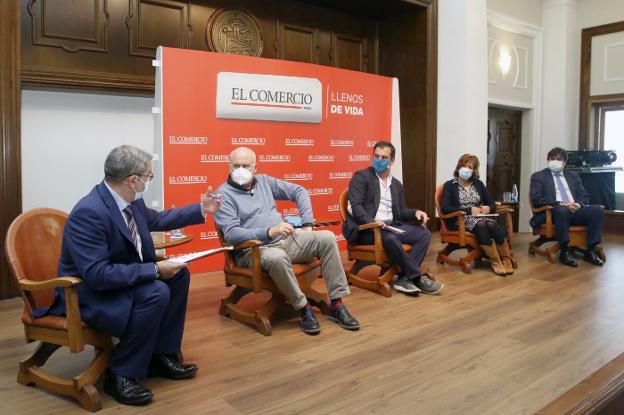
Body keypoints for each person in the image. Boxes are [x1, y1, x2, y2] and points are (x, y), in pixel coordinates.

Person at [38, 145, 221, 406]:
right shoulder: (90, 212)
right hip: (87, 293)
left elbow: (158, 219)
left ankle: (160, 356)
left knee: (179, 276)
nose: (150, 180)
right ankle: (120, 373)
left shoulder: (129, 201)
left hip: (116, 280)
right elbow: (98, 275)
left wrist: (201, 209)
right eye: (149, 175)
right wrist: (155, 269)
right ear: (132, 180)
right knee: (156, 290)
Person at [214, 147, 359, 335]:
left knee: (327, 238)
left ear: (255, 168)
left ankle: (337, 304)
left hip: (286, 239)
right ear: (228, 167)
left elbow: (299, 191)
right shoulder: (222, 195)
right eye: (236, 166)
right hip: (252, 250)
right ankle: (303, 308)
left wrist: (307, 223)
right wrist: (268, 231)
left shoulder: (264, 181)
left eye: (246, 165)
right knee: (277, 257)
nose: (240, 169)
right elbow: (232, 234)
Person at [343, 140, 444, 295]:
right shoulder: (361, 177)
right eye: (376, 156)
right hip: (367, 230)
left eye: (384, 158)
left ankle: (404, 279)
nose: (379, 160)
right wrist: (372, 222)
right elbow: (355, 207)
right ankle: (416, 277)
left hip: (391, 226)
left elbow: (401, 211)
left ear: (392, 161)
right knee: (390, 238)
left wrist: (415, 213)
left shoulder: (396, 184)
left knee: (424, 234)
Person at [529, 147, 605, 267]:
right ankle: (564, 251)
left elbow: (584, 195)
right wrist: (560, 203)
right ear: (547, 160)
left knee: (597, 210)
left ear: (564, 162)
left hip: (575, 211)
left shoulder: (573, 176)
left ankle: (590, 251)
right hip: (555, 212)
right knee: (563, 210)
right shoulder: (539, 176)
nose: (555, 161)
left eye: (558, 159)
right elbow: (537, 199)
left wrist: (577, 204)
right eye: (552, 159)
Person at [440, 154, 514, 276]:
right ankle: (495, 261)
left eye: (470, 167)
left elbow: (491, 202)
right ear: (459, 167)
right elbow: (445, 208)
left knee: (490, 224)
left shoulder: (478, 184)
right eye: (464, 166)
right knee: (482, 225)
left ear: (474, 170)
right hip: (460, 220)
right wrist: (469, 210)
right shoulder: (450, 185)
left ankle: (505, 259)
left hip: (481, 217)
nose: (467, 169)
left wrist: (488, 208)